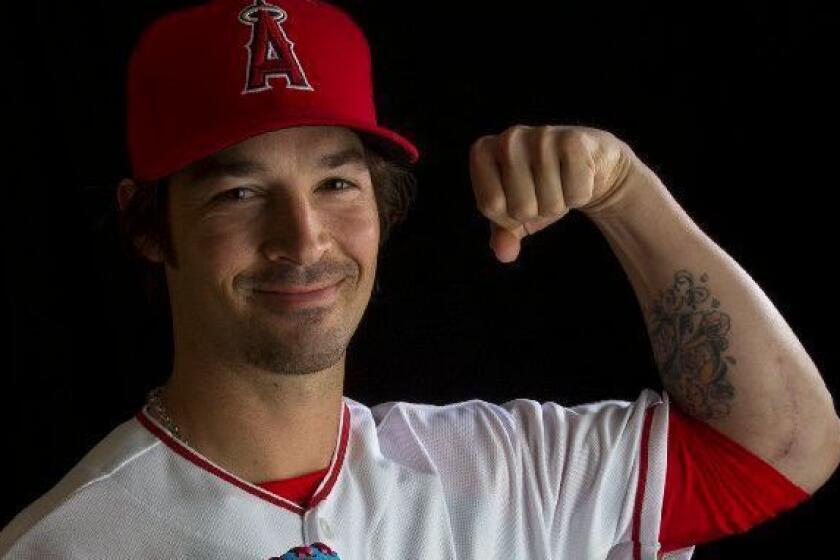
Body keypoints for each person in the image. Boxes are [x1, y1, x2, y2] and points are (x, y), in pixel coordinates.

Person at [2, 0, 838, 558]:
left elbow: (783, 448)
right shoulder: (66, 543)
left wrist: (625, 193)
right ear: (147, 224)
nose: (303, 239)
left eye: (336, 183)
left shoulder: (510, 475)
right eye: (239, 192)